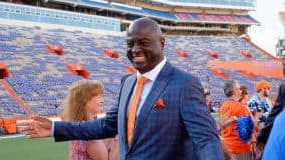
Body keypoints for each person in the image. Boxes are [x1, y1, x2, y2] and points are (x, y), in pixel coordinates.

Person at [18, 17, 223, 160]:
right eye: (130, 44)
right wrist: (55, 128)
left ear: (161, 43)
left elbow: (206, 140)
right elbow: (106, 125)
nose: (135, 50)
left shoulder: (185, 83)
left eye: (143, 42)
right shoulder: (128, 83)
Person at [62, 79, 118, 160]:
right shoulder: (89, 134)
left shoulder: (79, 125)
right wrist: (120, 138)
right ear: (86, 101)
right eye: (99, 97)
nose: (101, 101)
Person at [219, 80, 253, 160]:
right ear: (235, 91)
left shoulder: (223, 106)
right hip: (241, 149)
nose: (241, 91)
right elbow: (248, 132)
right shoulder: (241, 108)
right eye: (239, 89)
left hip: (227, 147)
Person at [256, 83, 285, 158]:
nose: (269, 90)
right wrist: (262, 137)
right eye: (267, 88)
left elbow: (274, 114)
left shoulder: (268, 101)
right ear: (262, 89)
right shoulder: (254, 101)